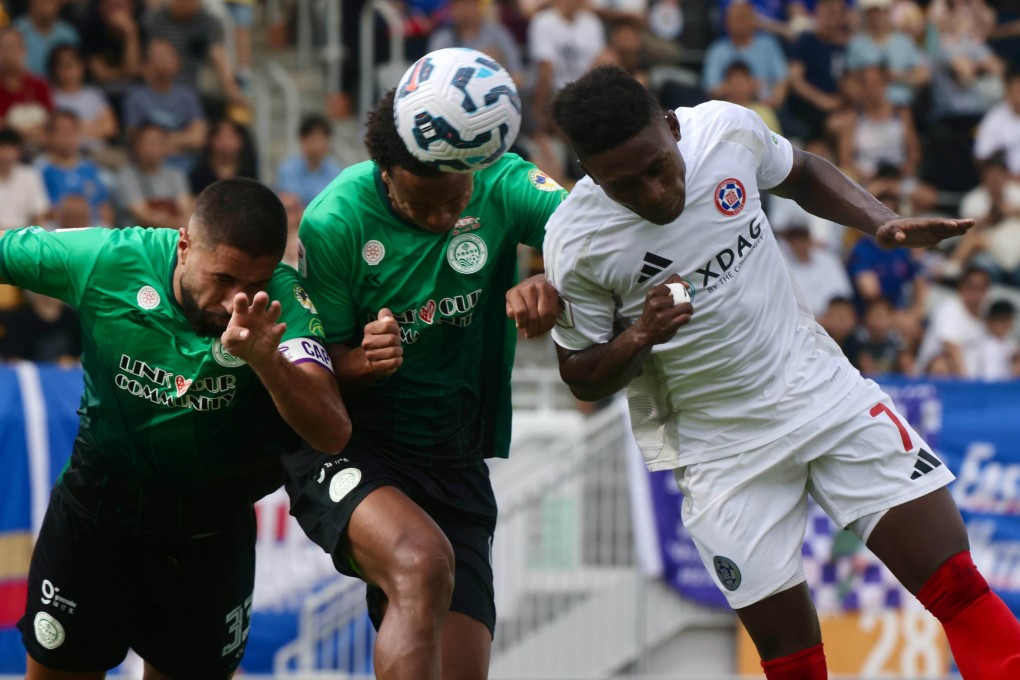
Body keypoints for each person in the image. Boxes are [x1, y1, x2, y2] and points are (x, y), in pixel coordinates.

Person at [543, 66, 1020, 679]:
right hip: (720, 453)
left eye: (658, 168)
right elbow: (580, 374)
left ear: (670, 127)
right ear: (591, 176)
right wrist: (639, 336)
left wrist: (877, 220)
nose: (652, 193)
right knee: (791, 662)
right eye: (623, 186)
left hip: (820, 391)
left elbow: (802, 173)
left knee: (956, 583)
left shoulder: (725, 130)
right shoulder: (576, 242)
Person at [1, 177, 350, 679]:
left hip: (208, 542)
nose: (236, 302)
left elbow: (332, 431)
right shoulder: (108, 259)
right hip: (96, 522)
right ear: (184, 243)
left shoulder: (281, 304)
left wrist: (268, 362)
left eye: (253, 284)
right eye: (224, 279)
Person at [281, 87, 567, 680]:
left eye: (454, 202)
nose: (441, 220)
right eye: (422, 206)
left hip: (454, 457)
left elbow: (597, 231)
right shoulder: (337, 218)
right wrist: (362, 359)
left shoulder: (502, 182)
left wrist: (553, 280)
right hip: (354, 445)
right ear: (387, 174)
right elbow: (317, 368)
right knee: (420, 561)